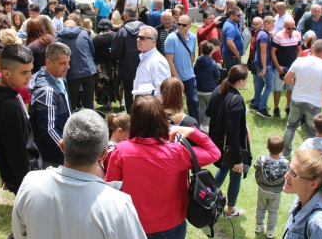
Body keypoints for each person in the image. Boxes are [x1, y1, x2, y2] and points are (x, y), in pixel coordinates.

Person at [12, 109, 146, 239]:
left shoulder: (30, 184)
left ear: (62, 146)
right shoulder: (118, 205)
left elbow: (19, 234)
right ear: (103, 154)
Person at [105, 95, 220, 237]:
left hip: (134, 224)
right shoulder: (176, 151)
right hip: (171, 226)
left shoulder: (121, 151)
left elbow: (110, 190)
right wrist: (191, 131)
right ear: (162, 120)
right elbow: (214, 153)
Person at [0, 45, 42, 194]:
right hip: (26, 180)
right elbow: (17, 154)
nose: (30, 77)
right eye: (24, 72)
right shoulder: (9, 109)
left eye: (30, 70)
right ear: (6, 73)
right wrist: (28, 187)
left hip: (13, 175)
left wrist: (4, 170)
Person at [206, 65, 250, 218]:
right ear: (239, 81)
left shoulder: (218, 89)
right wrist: (238, 160)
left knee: (224, 169)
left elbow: (208, 112)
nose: (246, 83)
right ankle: (231, 210)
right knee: (236, 174)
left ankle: (208, 197)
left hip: (217, 143)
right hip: (231, 147)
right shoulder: (237, 100)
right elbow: (233, 133)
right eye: (246, 80)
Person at [283, 40, 322, 158]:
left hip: (297, 99)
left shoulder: (300, 61)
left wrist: (294, 83)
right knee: (312, 131)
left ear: (312, 48)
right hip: (315, 103)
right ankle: (308, 156)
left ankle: (286, 152)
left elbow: (287, 79)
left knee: (291, 126)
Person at [28, 43, 71, 168]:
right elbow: (49, 129)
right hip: (52, 156)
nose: (67, 67)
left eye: (68, 62)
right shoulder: (47, 90)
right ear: (49, 63)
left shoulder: (60, 78)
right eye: (62, 63)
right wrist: (69, 150)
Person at [282, 149, 322, 238]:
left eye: (293, 174)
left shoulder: (318, 224)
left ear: (312, 184)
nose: (286, 176)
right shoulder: (302, 196)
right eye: (289, 169)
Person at [164, 14, 200, 122]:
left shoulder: (193, 37)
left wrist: (190, 68)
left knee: (193, 102)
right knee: (175, 105)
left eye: (183, 25)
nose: (180, 27)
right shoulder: (171, 38)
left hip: (189, 76)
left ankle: (195, 125)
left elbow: (192, 55)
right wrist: (178, 80)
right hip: (175, 78)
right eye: (178, 24)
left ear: (189, 26)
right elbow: (169, 60)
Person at [253, 135, 290, 238]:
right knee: (273, 211)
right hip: (276, 191)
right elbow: (289, 174)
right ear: (283, 150)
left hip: (263, 189)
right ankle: (270, 232)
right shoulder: (285, 163)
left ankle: (258, 226)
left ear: (267, 147)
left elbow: (255, 166)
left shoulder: (262, 159)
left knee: (260, 208)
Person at [57, 20, 97, 111]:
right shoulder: (84, 33)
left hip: (71, 72)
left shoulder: (60, 37)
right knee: (89, 103)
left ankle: (73, 123)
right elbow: (92, 51)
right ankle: (91, 123)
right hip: (88, 70)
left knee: (71, 103)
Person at [111, 4, 144, 112]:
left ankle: (132, 119)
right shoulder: (145, 29)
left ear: (125, 15)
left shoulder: (121, 32)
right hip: (144, 68)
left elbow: (116, 54)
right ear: (137, 14)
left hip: (128, 71)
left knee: (129, 97)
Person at [271, 18, 302, 118]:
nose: (291, 30)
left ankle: (288, 106)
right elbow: (273, 51)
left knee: (291, 88)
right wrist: (277, 66)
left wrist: (296, 63)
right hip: (280, 66)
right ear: (284, 26)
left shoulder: (297, 34)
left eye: (293, 28)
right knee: (278, 89)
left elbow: (299, 49)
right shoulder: (278, 36)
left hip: (292, 67)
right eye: (289, 28)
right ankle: (276, 108)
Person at [133, 25, 171, 100]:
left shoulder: (157, 61)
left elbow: (162, 91)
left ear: (153, 42)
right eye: (138, 37)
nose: (138, 40)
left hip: (152, 110)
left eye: (142, 38)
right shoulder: (145, 57)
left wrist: (156, 110)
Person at [193, 40, 219, 131]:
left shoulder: (197, 62)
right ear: (211, 52)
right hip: (209, 90)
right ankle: (204, 124)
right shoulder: (213, 64)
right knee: (210, 108)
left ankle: (198, 124)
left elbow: (195, 72)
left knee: (201, 107)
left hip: (199, 89)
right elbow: (217, 76)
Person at [253, 16, 275, 118]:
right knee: (270, 86)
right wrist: (265, 68)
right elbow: (263, 52)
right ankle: (262, 108)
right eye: (271, 25)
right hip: (264, 64)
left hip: (259, 63)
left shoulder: (263, 33)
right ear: (265, 24)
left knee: (260, 84)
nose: (273, 27)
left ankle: (256, 105)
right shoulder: (264, 36)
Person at [222, 6, 244, 71]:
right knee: (236, 77)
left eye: (240, 15)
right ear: (232, 15)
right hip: (232, 56)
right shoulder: (230, 27)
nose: (240, 17)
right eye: (238, 15)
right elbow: (229, 42)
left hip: (231, 55)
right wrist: (237, 54)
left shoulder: (233, 24)